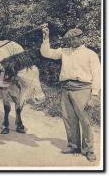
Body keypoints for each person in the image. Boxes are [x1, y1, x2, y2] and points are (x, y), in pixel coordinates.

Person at [40, 24, 101, 162]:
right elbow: (46, 53)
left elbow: (98, 75)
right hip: (66, 88)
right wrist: (46, 37)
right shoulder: (64, 51)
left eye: (74, 39)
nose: (72, 42)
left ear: (81, 38)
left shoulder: (90, 54)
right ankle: (73, 145)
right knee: (68, 119)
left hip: (83, 89)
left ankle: (89, 150)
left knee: (85, 121)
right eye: (69, 40)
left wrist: (95, 95)